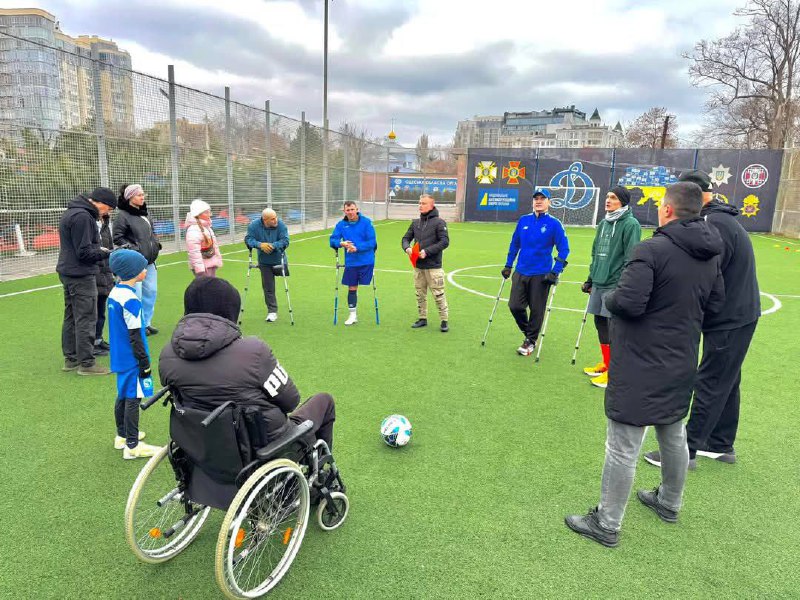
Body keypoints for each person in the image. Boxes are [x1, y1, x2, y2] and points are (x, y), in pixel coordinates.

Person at [564, 182, 725, 548]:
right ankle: (669, 502)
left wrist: (615, 296)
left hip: (641, 360)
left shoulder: (651, 249)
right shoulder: (710, 254)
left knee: (623, 444)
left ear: (667, 210)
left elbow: (629, 303)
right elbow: (715, 307)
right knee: (672, 431)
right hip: (681, 358)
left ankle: (606, 523)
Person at [645, 170, 760, 470]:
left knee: (710, 380)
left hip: (728, 316)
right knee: (727, 379)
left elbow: (705, 275)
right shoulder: (721, 219)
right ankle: (720, 444)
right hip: (738, 314)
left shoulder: (713, 223)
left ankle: (687, 451)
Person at [159, 277, 336, 451]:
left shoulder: (167, 354)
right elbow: (290, 401)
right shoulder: (254, 351)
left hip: (204, 447)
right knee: (324, 401)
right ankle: (321, 470)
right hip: (264, 448)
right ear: (231, 311)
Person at [581, 187, 641, 388]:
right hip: (599, 281)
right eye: (607, 197)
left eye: (613, 198)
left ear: (622, 202)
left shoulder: (631, 224)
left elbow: (631, 257)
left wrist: (623, 284)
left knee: (613, 327)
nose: (608, 200)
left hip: (615, 284)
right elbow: (595, 252)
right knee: (600, 323)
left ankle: (615, 372)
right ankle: (606, 364)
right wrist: (590, 279)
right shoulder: (603, 223)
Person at [56, 187, 117, 376]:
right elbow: (84, 252)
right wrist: (106, 252)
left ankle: (71, 359)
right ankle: (87, 363)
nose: (108, 212)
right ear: (100, 203)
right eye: (108, 208)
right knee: (86, 317)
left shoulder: (73, 212)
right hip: (80, 273)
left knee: (72, 316)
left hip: (69, 271)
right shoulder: (83, 217)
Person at [501, 189, 569, 355]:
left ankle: (530, 341)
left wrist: (556, 271)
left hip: (541, 273)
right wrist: (508, 265)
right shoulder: (524, 220)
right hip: (521, 271)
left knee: (537, 309)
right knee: (515, 306)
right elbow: (514, 244)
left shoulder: (554, 224)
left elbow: (564, 249)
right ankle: (530, 334)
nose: (538, 201)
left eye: (542, 199)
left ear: (549, 202)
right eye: (536, 199)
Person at [107, 249, 161, 459]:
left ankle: (122, 436)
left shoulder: (115, 293)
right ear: (133, 271)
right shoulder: (131, 300)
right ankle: (132, 445)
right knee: (133, 398)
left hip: (119, 355)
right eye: (142, 267)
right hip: (131, 358)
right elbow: (136, 335)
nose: (145, 270)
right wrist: (144, 361)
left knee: (122, 395)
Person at [114, 184, 161, 336]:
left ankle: (146, 323)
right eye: (139, 195)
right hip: (135, 263)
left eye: (143, 194)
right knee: (136, 294)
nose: (143, 197)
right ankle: (135, 325)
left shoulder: (145, 214)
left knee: (151, 292)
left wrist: (156, 244)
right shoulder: (122, 216)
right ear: (130, 198)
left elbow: (152, 233)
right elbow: (117, 237)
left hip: (149, 262)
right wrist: (135, 250)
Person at [401, 194, 450, 332]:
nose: (420, 205)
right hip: (418, 266)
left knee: (438, 294)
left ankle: (444, 320)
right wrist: (407, 248)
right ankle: (422, 318)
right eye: (419, 203)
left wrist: (427, 251)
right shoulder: (415, 222)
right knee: (420, 294)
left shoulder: (440, 222)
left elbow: (444, 242)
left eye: (424, 203)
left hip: (433, 266)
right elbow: (405, 238)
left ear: (432, 206)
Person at [329, 201, 377, 326]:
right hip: (351, 262)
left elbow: (372, 242)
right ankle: (352, 315)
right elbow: (332, 240)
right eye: (347, 210)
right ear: (344, 211)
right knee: (352, 287)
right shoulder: (341, 224)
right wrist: (341, 243)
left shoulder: (366, 222)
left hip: (366, 261)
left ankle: (354, 314)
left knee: (363, 285)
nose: (350, 212)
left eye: (352, 209)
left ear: (357, 209)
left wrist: (357, 247)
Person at [245, 208, 290, 322]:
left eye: (276, 217)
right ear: (265, 220)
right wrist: (260, 245)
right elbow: (249, 239)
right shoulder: (253, 226)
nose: (276, 220)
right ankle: (272, 312)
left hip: (280, 260)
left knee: (283, 277)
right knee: (268, 288)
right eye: (272, 219)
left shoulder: (281, 225)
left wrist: (272, 246)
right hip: (264, 262)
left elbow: (285, 240)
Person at [185, 199, 223, 277]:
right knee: (205, 287)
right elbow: (194, 252)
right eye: (206, 212)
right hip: (203, 267)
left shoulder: (207, 227)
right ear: (198, 214)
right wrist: (200, 269)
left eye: (209, 211)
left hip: (210, 264)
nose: (209, 214)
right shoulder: (193, 230)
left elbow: (214, 245)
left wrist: (217, 259)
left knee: (212, 286)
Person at [93, 213, 113, 357]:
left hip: (105, 273)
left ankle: (98, 340)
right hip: (94, 273)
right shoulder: (89, 223)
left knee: (101, 311)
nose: (110, 211)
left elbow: (110, 248)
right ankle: (91, 343)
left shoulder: (105, 225)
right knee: (92, 313)